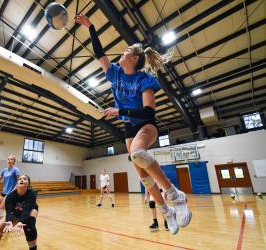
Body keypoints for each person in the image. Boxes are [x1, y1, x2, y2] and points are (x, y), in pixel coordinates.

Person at [76, 15, 192, 235]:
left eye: (127, 50)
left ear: (135, 58)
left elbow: (148, 110)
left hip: (146, 124)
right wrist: (91, 27)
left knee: (138, 152)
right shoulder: (115, 73)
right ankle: (165, 210)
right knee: (143, 176)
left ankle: (175, 195)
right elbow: (100, 54)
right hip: (129, 128)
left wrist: (118, 110)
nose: (123, 51)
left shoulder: (144, 80)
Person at [0, 175, 38, 250]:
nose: (21, 180)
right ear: (17, 183)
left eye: (24, 179)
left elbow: (27, 210)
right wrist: (9, 221)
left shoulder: (31, 194)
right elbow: (10, 211)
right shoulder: (10, 196)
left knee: (30, 223)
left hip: (30, 209)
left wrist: (21, 222)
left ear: (28, 184)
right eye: (20, 179)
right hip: (15, 211)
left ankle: (33, 247)